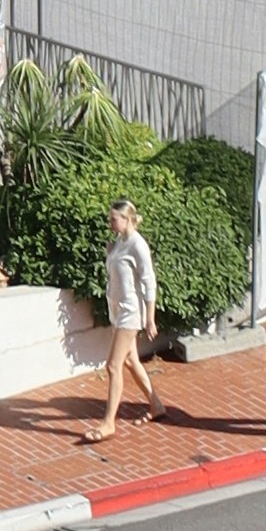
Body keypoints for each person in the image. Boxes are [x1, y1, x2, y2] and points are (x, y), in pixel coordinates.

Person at [95, 186, 161, 437]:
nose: (110, 222)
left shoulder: (137, 245)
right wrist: (111, 255)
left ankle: (108, 423)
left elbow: (149, 281)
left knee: (113, 366)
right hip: (117, 310)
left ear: (127, 219)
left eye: (113, 219)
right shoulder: (120, 242)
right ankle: (156, 404)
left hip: (130, 314)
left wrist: (150, 318)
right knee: (131, 361)